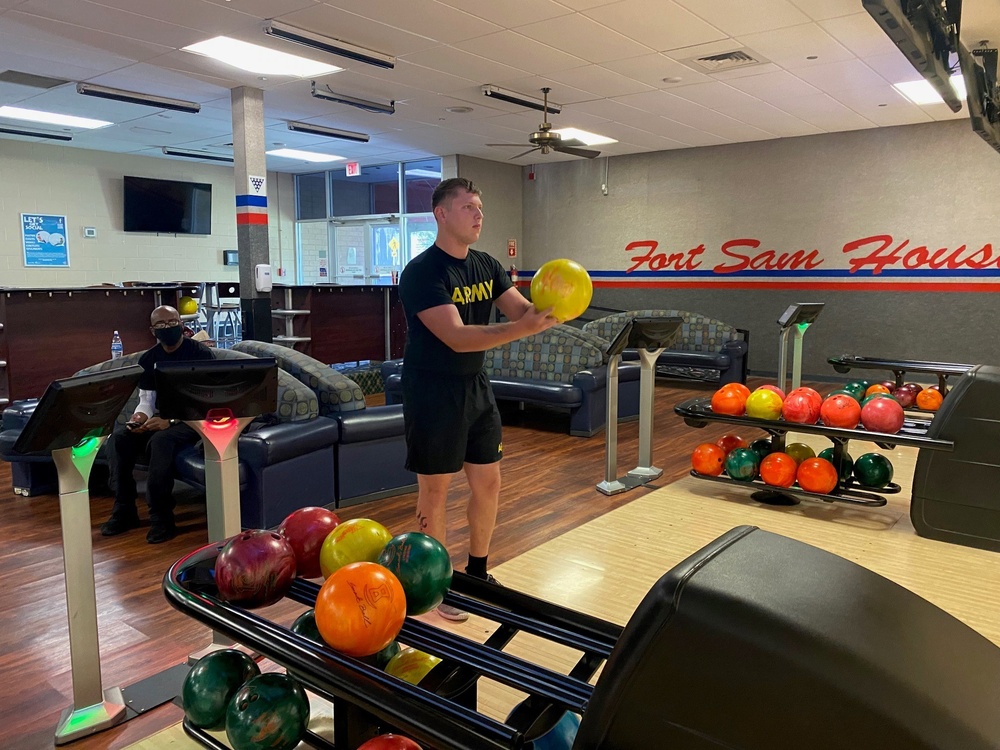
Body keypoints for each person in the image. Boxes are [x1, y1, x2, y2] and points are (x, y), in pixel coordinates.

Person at [398, 177, 558, 621]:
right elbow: (457, 337)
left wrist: (552, 304)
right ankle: (437, 583)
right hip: (433, 390)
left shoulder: (486, 265)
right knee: (436, 491)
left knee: (488, 482)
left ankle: (478, 573)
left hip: (475, 387)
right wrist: (523, 329)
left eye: (480, 207)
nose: (478, 214)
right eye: (468, 206)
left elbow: (520, 311)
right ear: (442, 214)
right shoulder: (422, 273)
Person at [100, 304, 213, 543]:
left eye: (172, 323)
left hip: (195, 421)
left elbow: (207, 402)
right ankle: (124, 510)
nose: (167, 328)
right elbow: (146, 401)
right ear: (153, 330)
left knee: (161, 440)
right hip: (163, 418)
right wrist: (139, 418)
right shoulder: (149, 358)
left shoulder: (200, 355)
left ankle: (162, 517)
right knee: (119, 438)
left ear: (182, 325)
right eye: (161, 325)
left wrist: (170, 421)